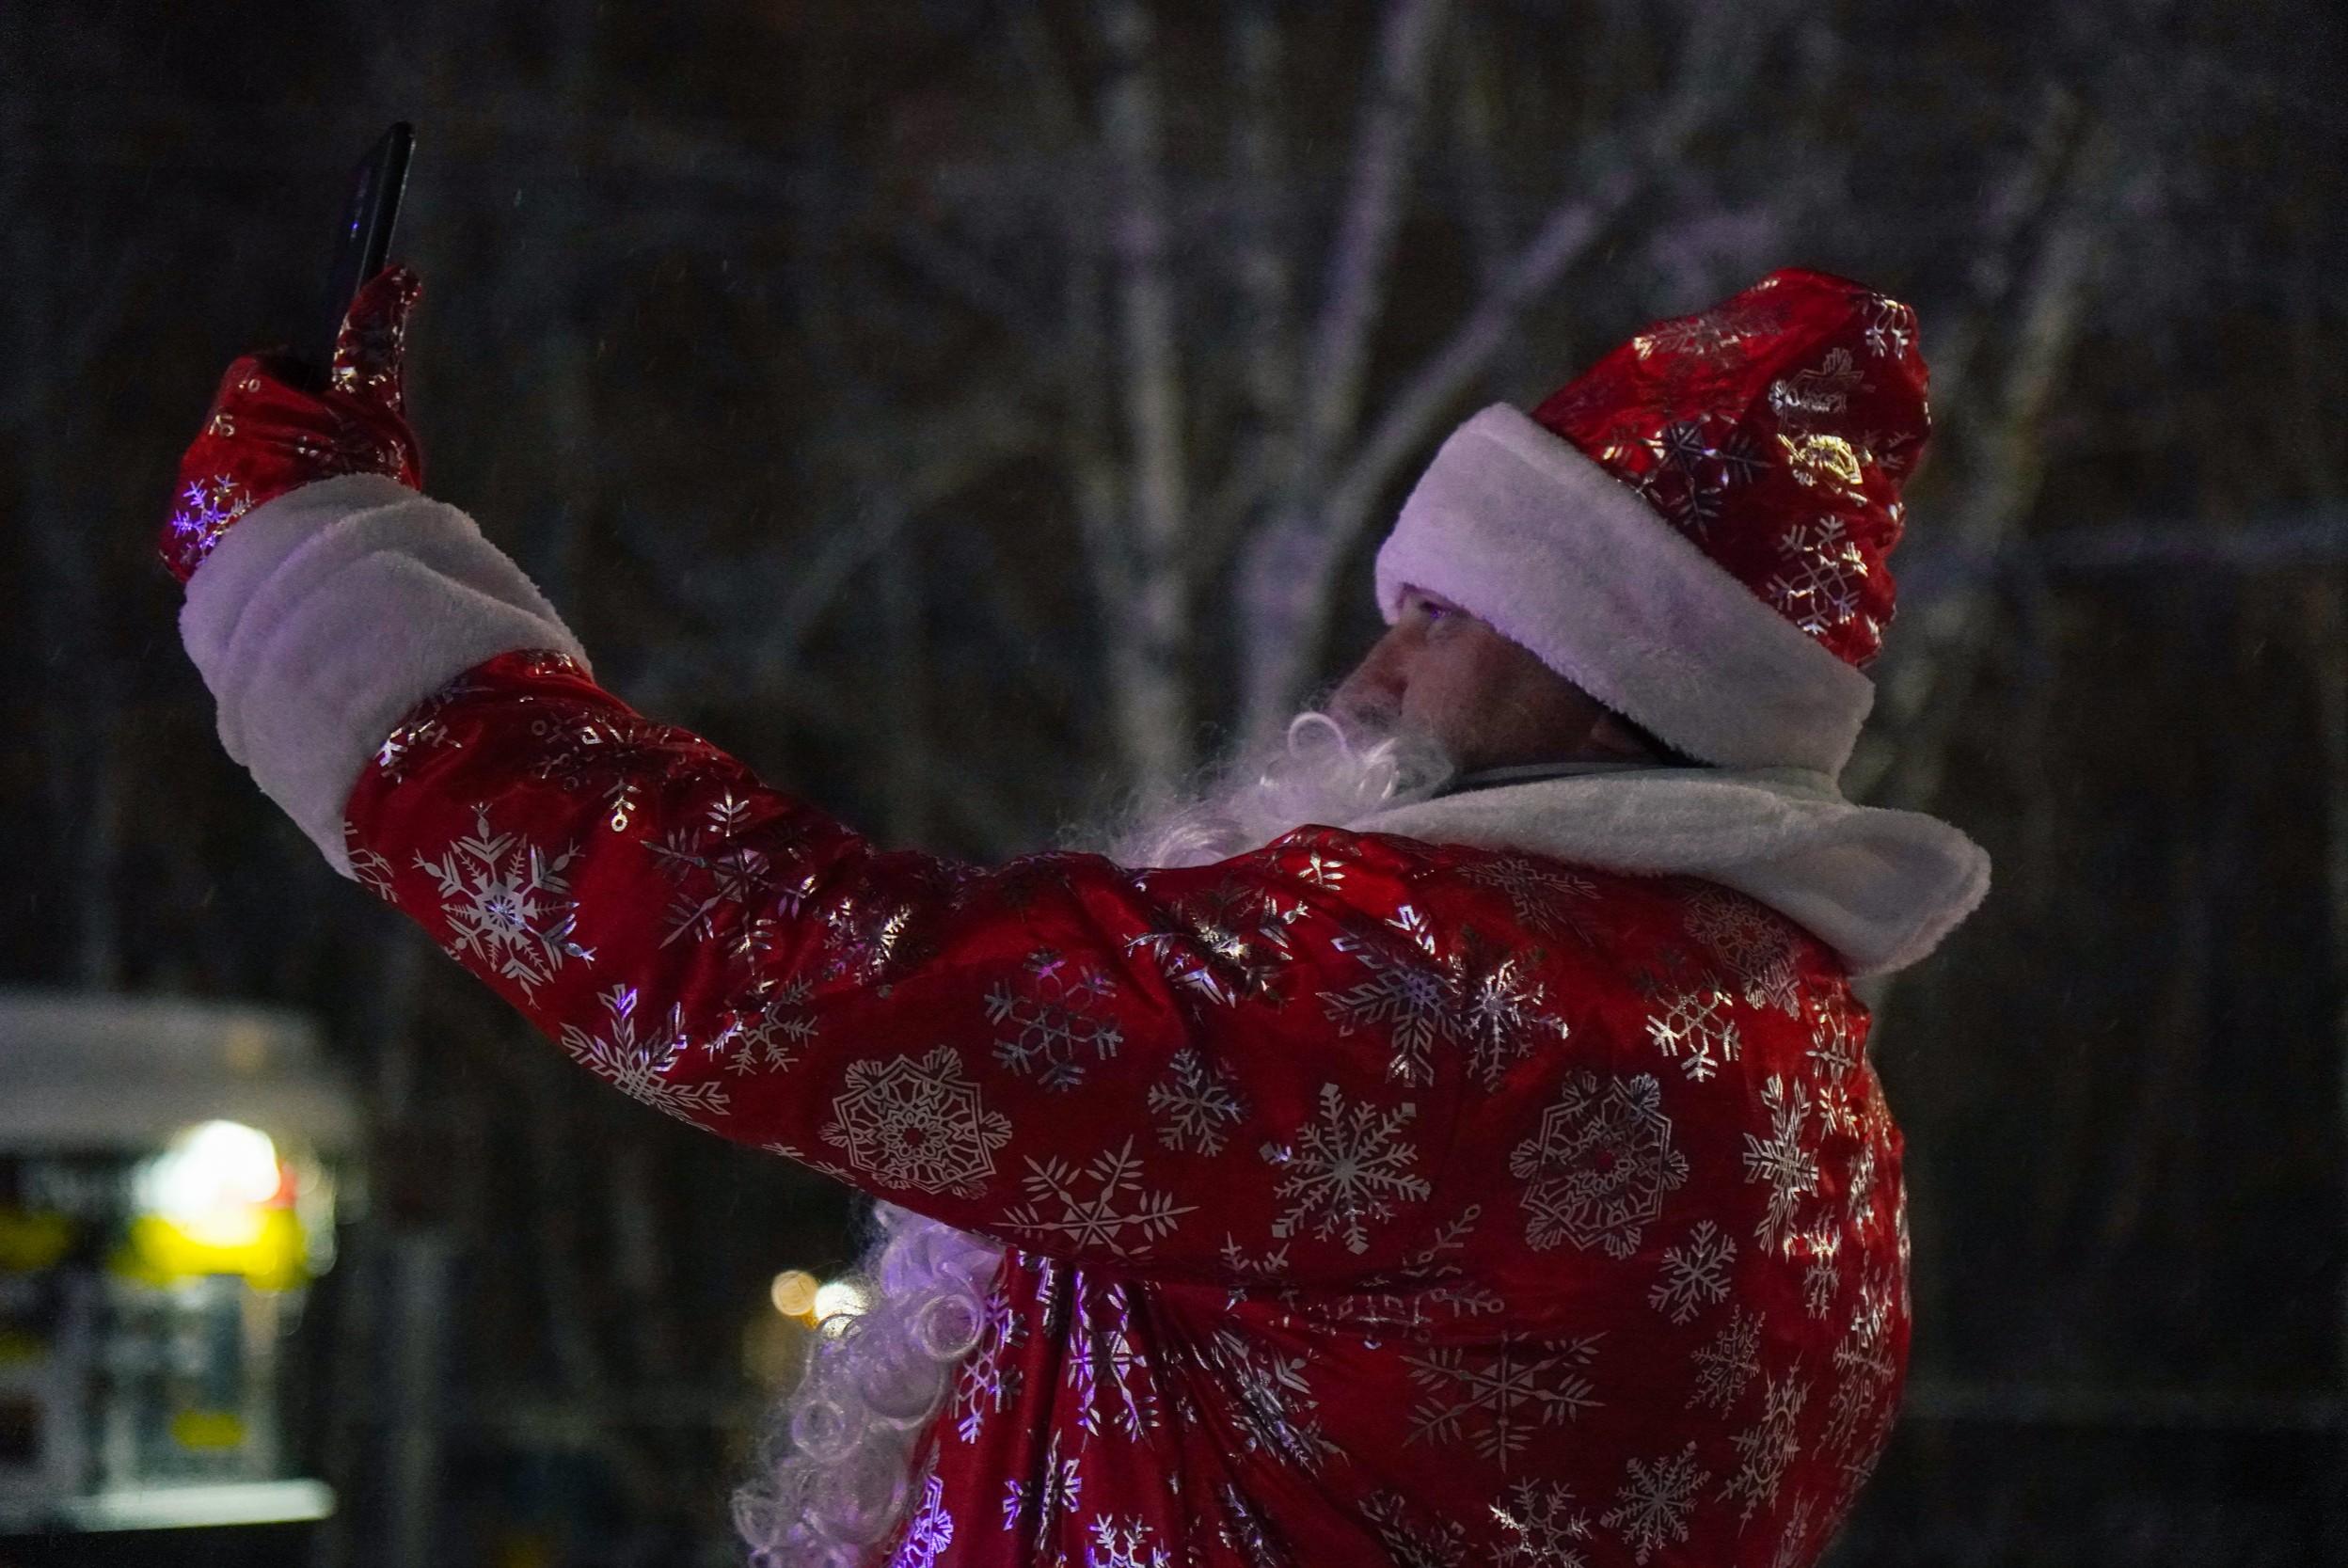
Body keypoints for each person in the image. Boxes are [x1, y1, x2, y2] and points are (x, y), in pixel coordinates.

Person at [163, 264, 1989, 1567]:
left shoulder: (1449, 997)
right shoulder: (1782, 1040)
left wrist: (320, 582)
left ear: (1610, 679)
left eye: (1440, 617)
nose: (1365, 678)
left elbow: (804, 980)